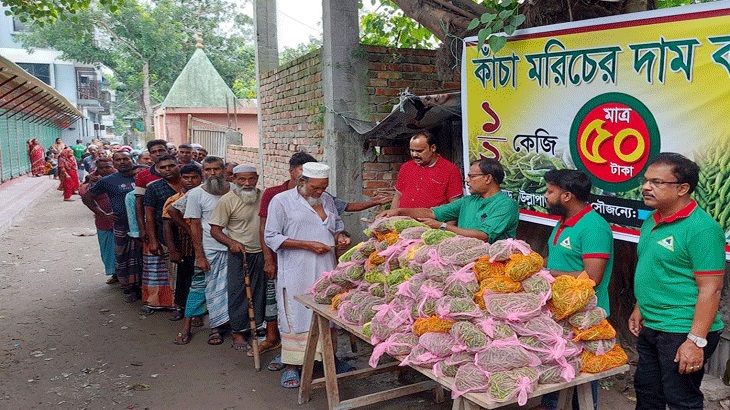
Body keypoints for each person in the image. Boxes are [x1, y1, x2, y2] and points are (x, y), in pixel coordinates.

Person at [629, 153, 725, 410]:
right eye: (646, 180)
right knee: (648, 393)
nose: (646, 187)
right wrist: (640, 306)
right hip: (653, 323)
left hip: (682, 329)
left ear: (683, 188)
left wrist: (695, 341)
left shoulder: (703, 230)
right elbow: (655, 269)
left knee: (681, 400)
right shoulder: (652, 220)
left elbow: (711, 289)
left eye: (658, 182)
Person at [264, 162, 351, 389]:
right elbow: (271, 237)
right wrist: (307, 245)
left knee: (325, 310)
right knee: (295, 314)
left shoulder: (327, 200)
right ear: (302, 182)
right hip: (296, 269)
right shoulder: (281, 201)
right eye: (315, 188)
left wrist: (340, 235)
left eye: (323, 188)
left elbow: (336, 226)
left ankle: (330, 359)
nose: (319, 192)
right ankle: (293, 364)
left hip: (325, 266)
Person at [538, 169, 614, 410]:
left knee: (583, 379)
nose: (545, 196)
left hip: (585, 318)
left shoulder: (593, 227)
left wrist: (547, 273)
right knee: (557, 374)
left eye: (550, 192)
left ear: (567, 196)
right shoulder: (563, 222)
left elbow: (592, 277)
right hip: (562, 312)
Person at [379, 158, 518, 243]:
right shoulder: (469, 201)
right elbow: (432, 213)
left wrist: (442, 226)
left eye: (471, 176)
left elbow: (483, 236)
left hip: (491, 263)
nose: (467, 180)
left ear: (488, 178)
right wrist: (399, 211)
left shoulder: (506, 205)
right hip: (465, 255)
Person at [210, 164, 266, 353]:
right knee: (238, 292)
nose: (247, 183)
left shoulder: (264, 196)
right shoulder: (227, 201)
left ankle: (257, 326)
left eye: (251, 179)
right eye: (241, 179)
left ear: (257, 178)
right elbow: (215, 230)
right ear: (233, 179)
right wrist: (231, 243)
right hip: (239, 253)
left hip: (263, 252)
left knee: (261, 291)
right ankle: (238, 332)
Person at [183, 156, 231, 345]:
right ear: (203, 172)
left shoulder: (234, 191)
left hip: (233, 248)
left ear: (223, 170)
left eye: (216, 169)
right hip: (210, 250)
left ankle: (227, 327)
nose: (212, 173)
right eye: (208, 170)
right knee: (203, 289)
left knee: (232, 289)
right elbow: (194, 225)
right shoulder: (196, 194)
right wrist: (200, 255)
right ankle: (203, 327)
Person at [84, 151, 141, 302]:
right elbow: (88, 197)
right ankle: (130, 288)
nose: (122, 162)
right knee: (124, 258)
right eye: (118, 160)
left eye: (125, 159)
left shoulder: (142, 175)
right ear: (114, 163)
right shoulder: (108, 180)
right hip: (122, 225)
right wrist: (103, 214)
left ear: (132, 159)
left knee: (144, 258)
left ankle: (146, 288)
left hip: (145, 226)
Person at [141, 155, 182, 313]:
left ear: (177, 165)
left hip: (192, 235)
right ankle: (178, 306)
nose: (167, 170)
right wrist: (153, 241)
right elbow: (149, 216)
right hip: (166, 236)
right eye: (163, 167)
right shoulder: (154, 188)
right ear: (157, 169)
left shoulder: (189, 183)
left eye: (171, 166)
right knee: (174, 272)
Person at [163, 164, 202, 326]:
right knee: (185, 276)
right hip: (185, 242)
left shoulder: (203, 195)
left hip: (203, 240)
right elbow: (167, 226)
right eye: (186, 178)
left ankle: (198, 311)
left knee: (200, 277)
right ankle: (181, 307)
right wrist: (172, 250)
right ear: (181, 179)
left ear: (201, 178)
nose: (190, 181)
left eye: (194, 177)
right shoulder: (173, 200)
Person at [391, 131, 463, 209]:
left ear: (433, 148)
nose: (414, 154)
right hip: (404, 219)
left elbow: (454, 204)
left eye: (419, 151)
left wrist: (444, 222)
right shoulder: (406, 167)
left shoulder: (450, 170)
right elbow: (398, 196)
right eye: (412, 150)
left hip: (432, 220)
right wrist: (390, 218)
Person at [79, 158, 118, 283]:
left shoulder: (121, 177)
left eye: (108, 167)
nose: (105, 170)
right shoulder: (95, 181)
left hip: (121, 220)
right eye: (101, 168)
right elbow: (84, 194)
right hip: (104, 221)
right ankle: (115, 274)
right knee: (108, 248)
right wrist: (101, 213)